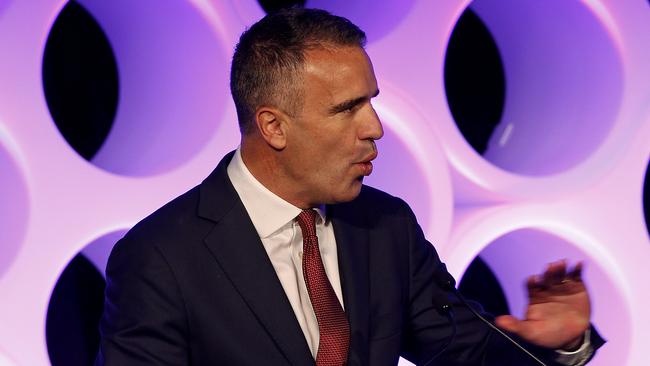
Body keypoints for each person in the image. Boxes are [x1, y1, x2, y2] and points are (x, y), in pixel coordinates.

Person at [95, 7, 604, 366]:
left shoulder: (386, 226)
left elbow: (462, 351)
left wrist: (557, 344)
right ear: (273, 126)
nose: (375, 128)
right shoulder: (161, 256)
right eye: (346, 109)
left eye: (371, 101)